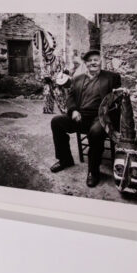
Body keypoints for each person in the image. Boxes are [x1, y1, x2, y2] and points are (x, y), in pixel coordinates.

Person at [50, 50, 122, 187]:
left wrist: (122, 93)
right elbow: (70, 97)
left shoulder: (112, 77)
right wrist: (74, 110)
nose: (93, 62)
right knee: (56, 122)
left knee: (95, 133)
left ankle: (93, 171)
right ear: (85, 63)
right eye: (89, 60)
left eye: (96, 59)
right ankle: (65, 160)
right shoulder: (78, 78)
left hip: (100, 118)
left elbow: (118, 97)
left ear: (101, 61)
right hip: (81, 117)